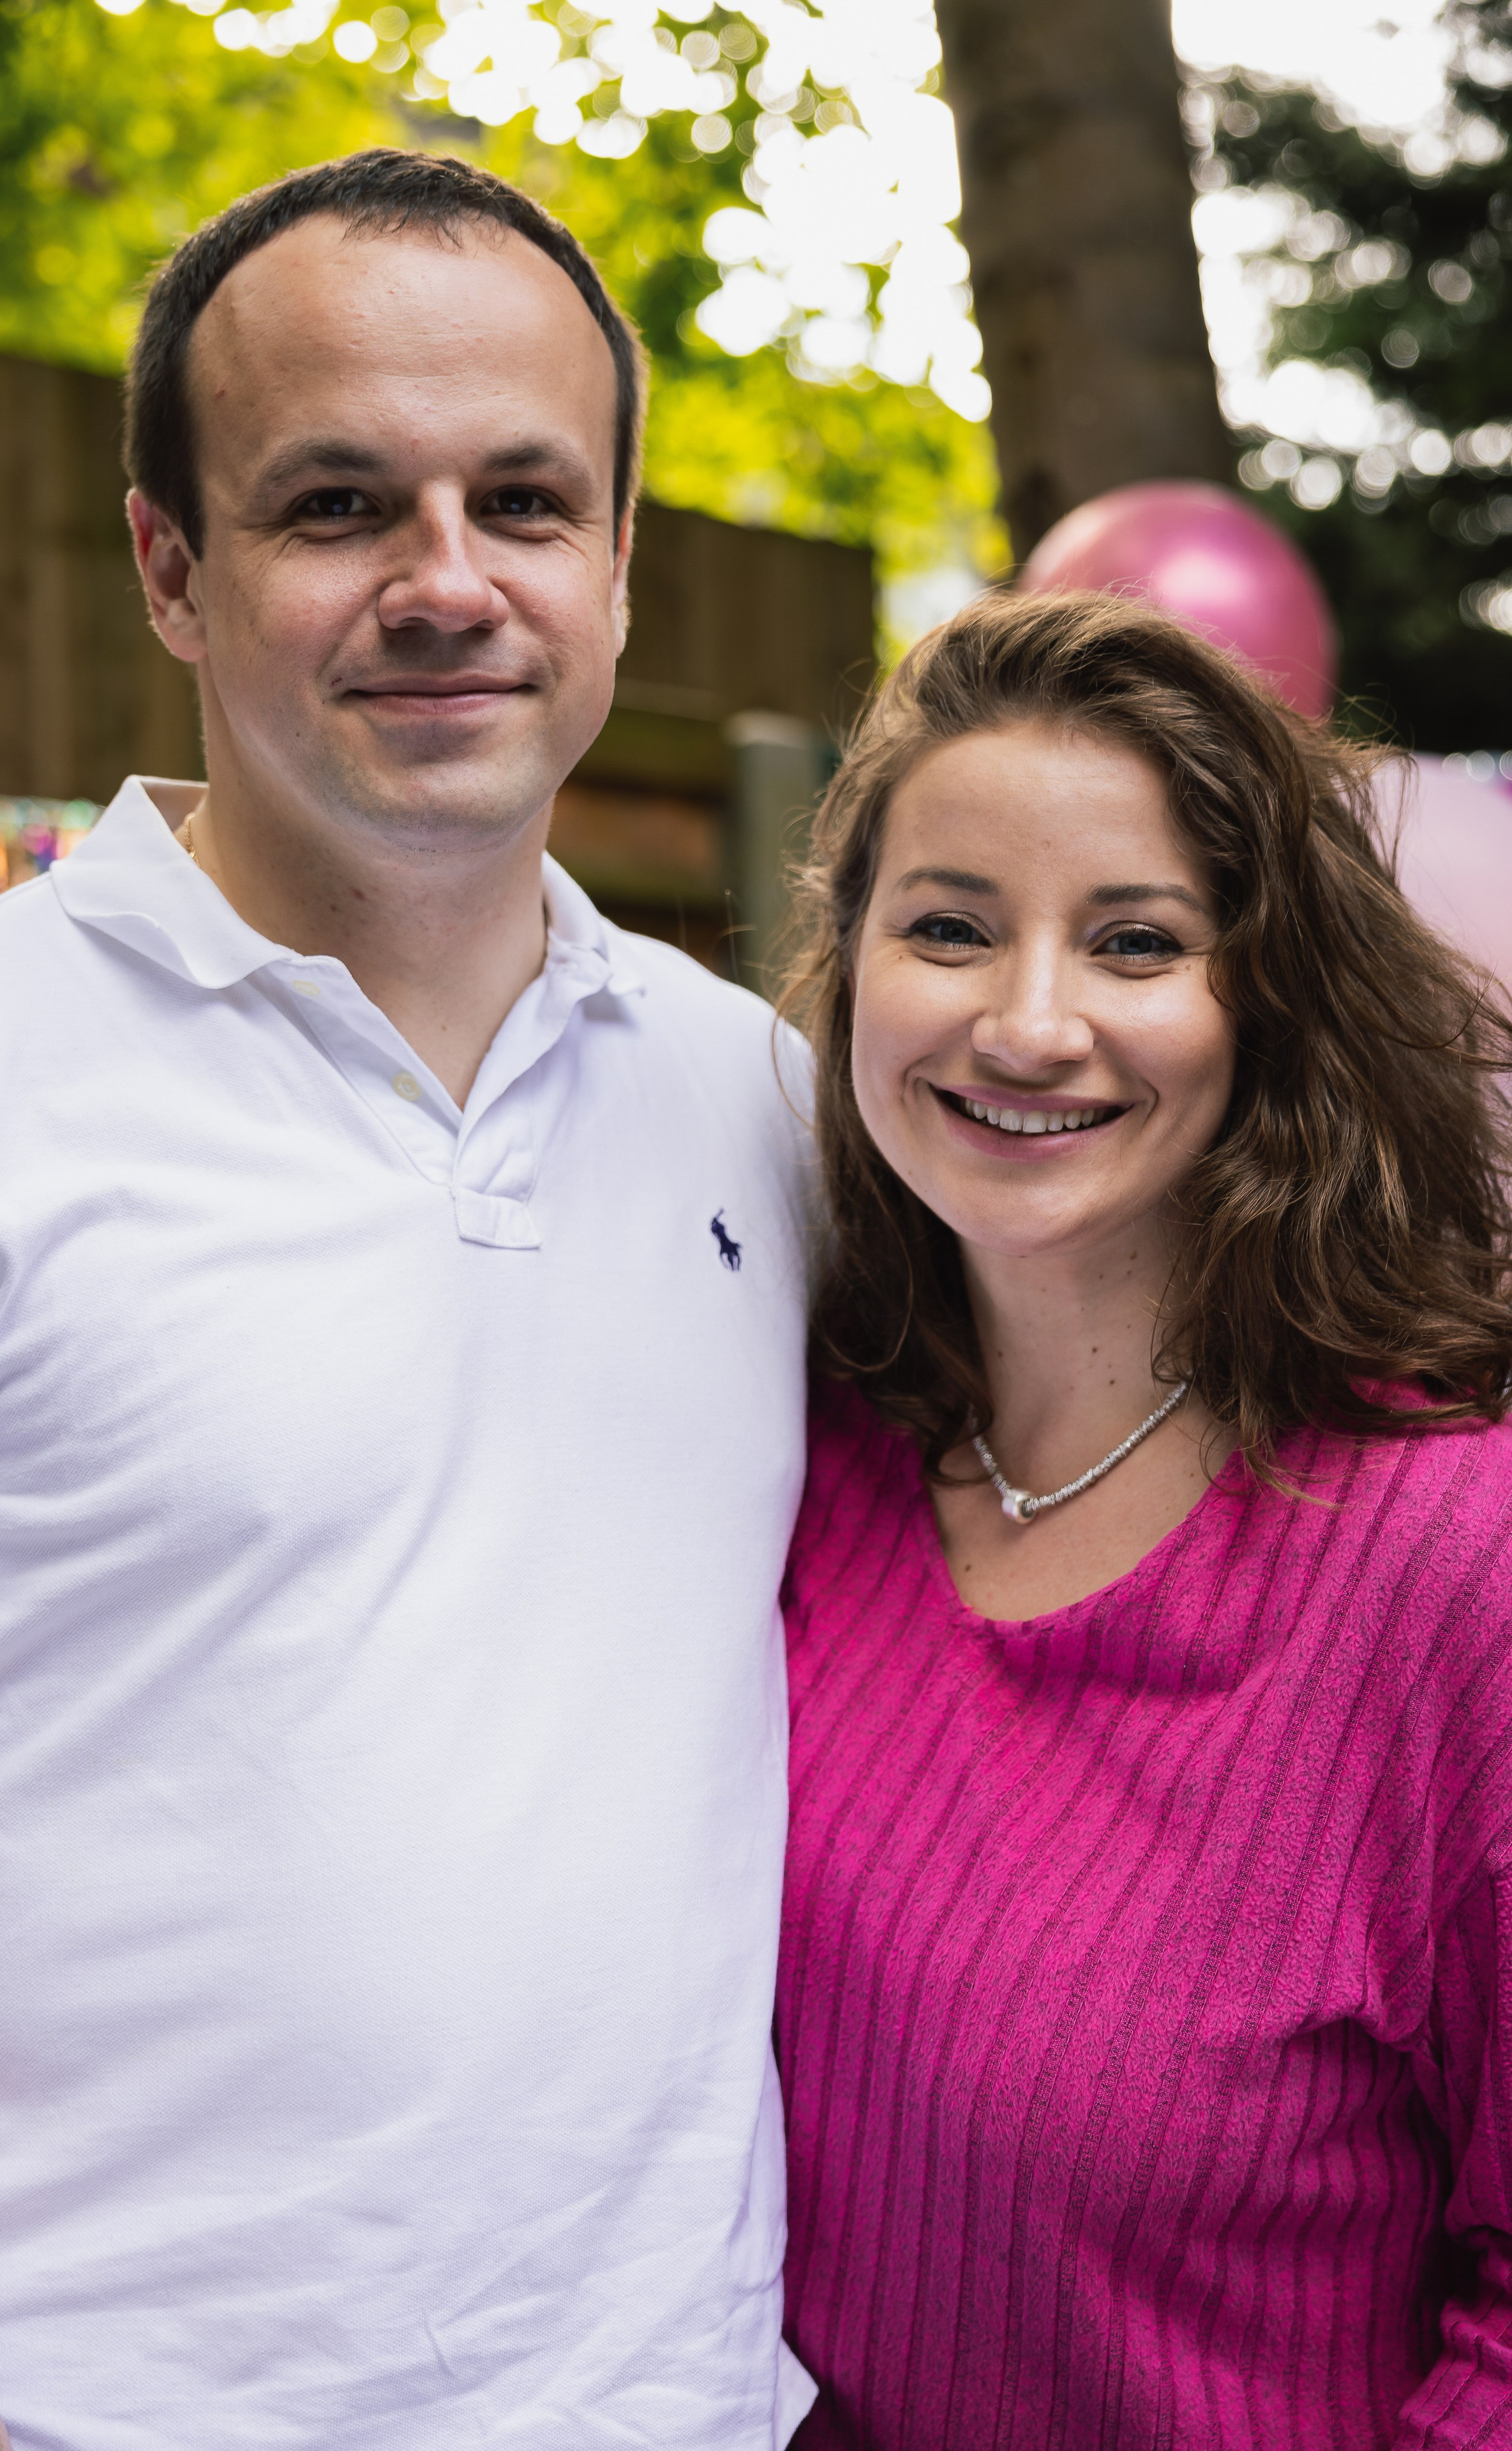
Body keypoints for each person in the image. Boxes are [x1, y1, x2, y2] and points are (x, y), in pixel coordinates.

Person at [0, 150, 817, 2450]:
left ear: (618, 562)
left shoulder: (771, 1105)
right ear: (169, 570)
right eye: (336, 506)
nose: (448, 583)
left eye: (525, 500)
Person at [774, 590, 1512, 2448]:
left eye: (1137, 943)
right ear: (849, 969)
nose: (1030, 1025)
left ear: (1267, 1000)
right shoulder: (806, 1453)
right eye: (950, 928)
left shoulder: (1458, 1557)